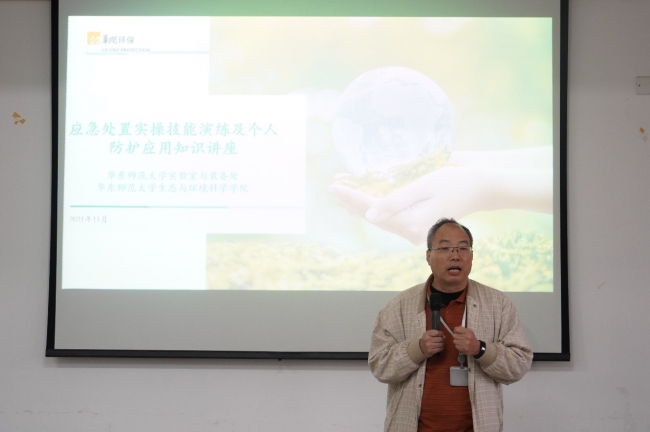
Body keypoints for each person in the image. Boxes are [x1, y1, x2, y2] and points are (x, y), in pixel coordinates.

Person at [368, 218, 533, 432]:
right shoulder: (399, 305)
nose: (455, 256)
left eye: (463, 248)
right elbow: (379, 366)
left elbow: (519, 365)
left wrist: (481, 349)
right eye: (445, 248)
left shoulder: (498, 304)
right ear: (428, 256)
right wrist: (416, 350)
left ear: (471, 256)